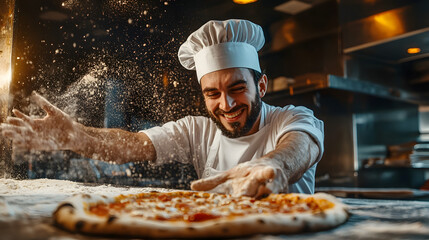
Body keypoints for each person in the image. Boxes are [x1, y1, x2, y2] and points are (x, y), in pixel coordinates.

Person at [0, 19, 323, 198]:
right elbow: (134, 145)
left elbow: (301, 146)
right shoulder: (196, 130)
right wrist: (76, 136)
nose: (225, 104)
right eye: (213, 93)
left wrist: (272, 164)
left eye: (237, 89)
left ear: (261, 86)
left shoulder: (291, 118)